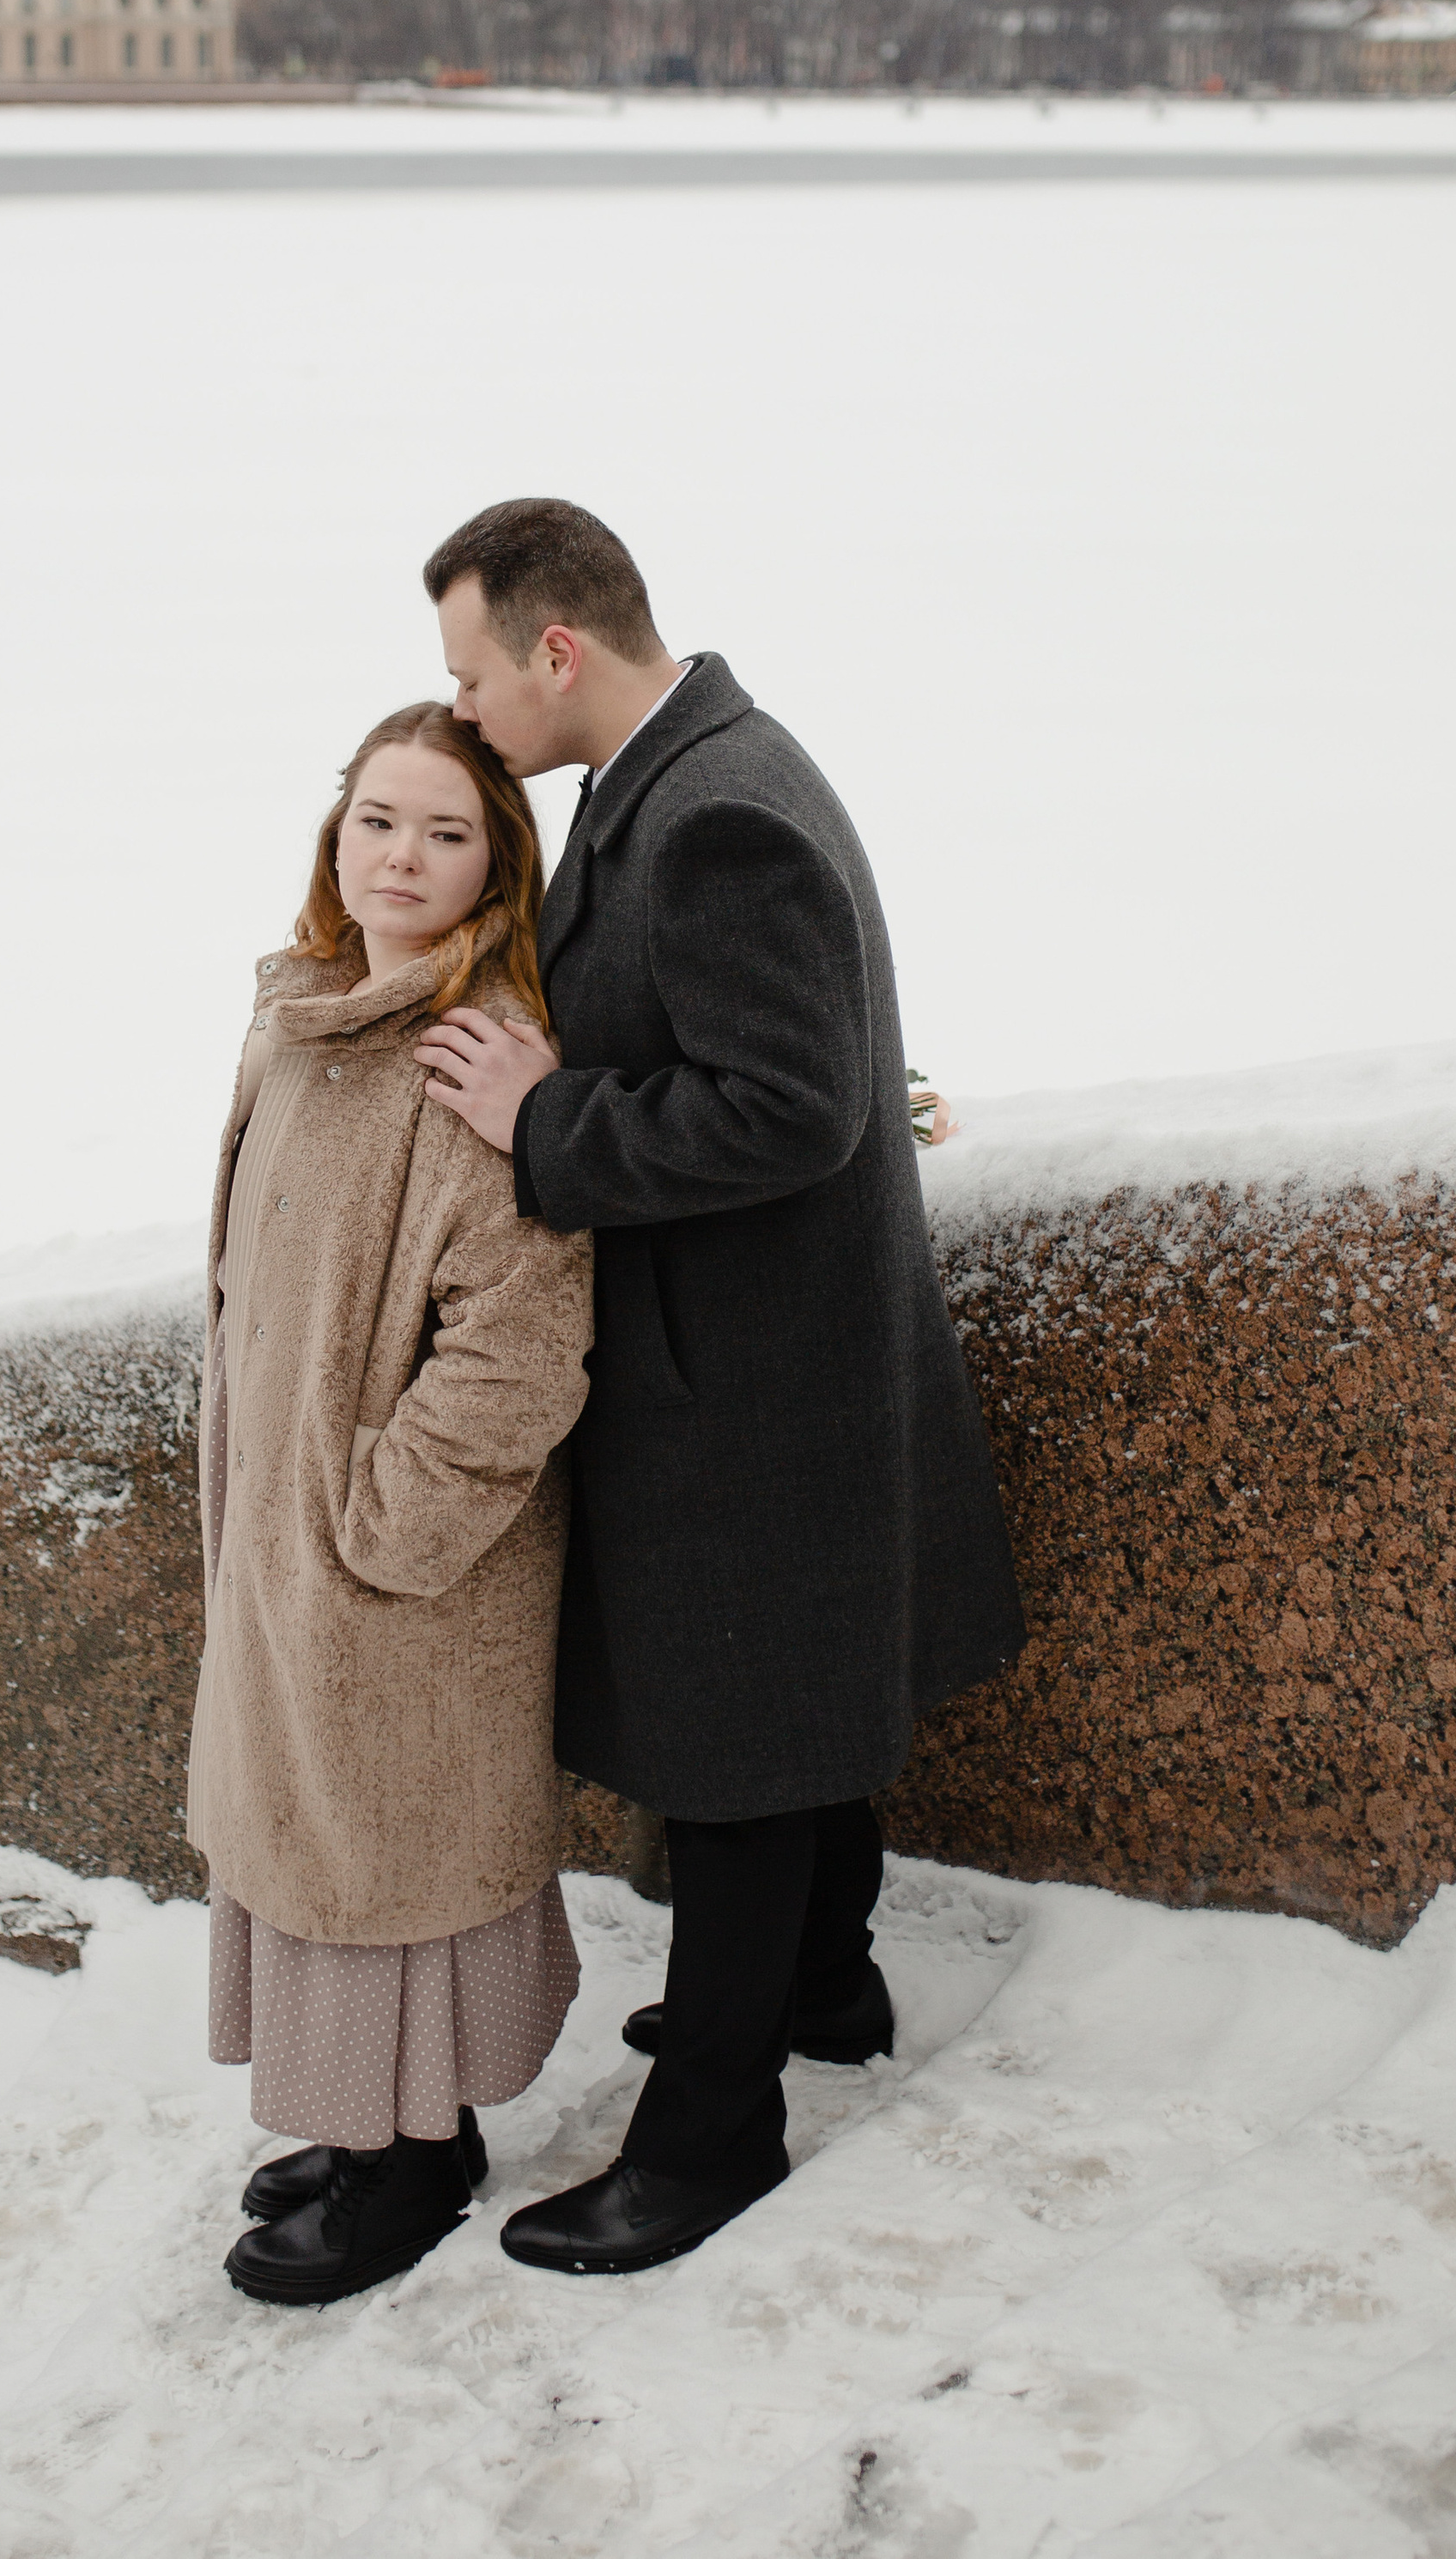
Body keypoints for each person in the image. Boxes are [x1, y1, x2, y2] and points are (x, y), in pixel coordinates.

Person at [414, 499, 1025, 2276]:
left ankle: (712, 2137)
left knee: (740, 1758)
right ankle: (820, 1987)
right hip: (768, 1368)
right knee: (787, 1725)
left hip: (750, 1391)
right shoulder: (671, 773)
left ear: (555, 647)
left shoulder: (721, 812)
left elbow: (788, 1106)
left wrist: (540, 1121)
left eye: (467, 675)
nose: (456, 715)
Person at [187, 700, 595, 2307]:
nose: (402, 857)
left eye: (445, 830)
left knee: (385, 1854)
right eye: (377, 820)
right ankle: (384, 2120)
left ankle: (409, 2161)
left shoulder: (468, 1057)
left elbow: (522, 1344)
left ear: (497, 863)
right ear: (333, 835)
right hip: (283, 1537)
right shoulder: (303, 1020)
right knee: (314, 1842)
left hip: (391, 1568)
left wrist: (379, 1524)